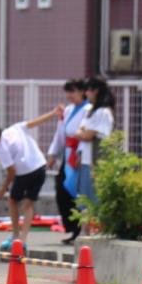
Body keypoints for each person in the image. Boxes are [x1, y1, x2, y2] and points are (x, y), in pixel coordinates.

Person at [0, 110, 56, 250]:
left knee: (13, 201)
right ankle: (22, 240)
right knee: (28, 205)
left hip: (25, 173)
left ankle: (15, 236)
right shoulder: (15, 128)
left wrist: (3, 188)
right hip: (40, 167)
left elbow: (12, 171)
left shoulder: (2, 148)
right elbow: (36, 122)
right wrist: (54, 113)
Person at [46, 79, 90, 243]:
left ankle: (81, 230)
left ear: (82, 91)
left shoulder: (88, 110)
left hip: (80, 155)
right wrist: (52, 154)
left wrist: (80, 153)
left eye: (73, 91)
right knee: (62, 190)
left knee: (77, 193)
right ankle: (72, 228)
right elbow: (60, 134)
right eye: (68, 92)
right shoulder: (69, 110)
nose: (69, 96)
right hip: (68, 154)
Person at [77, 76, 115, 207]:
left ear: (96, 91)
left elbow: (87, 135)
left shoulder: (103, 112)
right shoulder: (89, 110)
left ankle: (99, 227)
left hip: (96, 160)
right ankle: (85, 228)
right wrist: (83, 133)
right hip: (85, 159)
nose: (85, 93)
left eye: (88, 90)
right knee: (84, 199)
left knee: (97, 198)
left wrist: (83, 133)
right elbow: (80, 131)